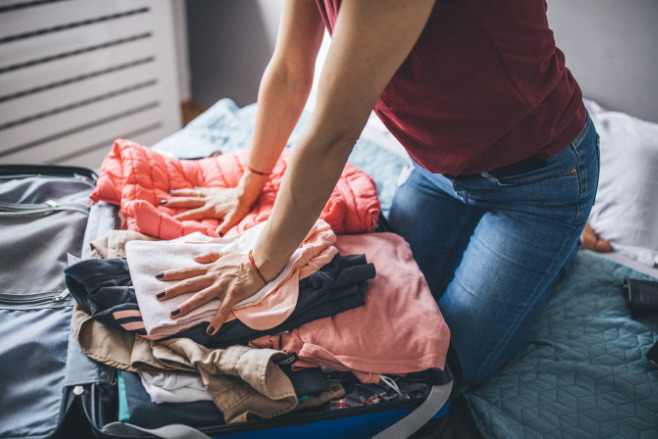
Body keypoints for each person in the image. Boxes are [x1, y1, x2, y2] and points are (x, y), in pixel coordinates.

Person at [155, 0, 600, 390]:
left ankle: (561, 242)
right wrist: (249, 183)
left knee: (443, 364)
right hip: (436, 171)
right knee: (375, 305)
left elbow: (333, 133)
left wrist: (256, 265)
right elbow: (291, 71)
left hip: (535, 183)